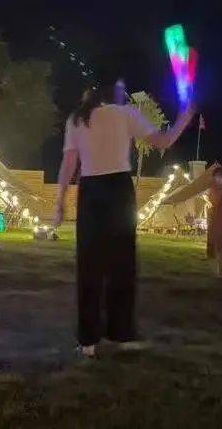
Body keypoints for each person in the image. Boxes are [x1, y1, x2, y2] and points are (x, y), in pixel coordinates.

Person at [54, 74, 195, 358]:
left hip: (91, 191)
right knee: (121, 264)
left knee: (89, 264)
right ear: (115, 90)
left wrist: (59, 201)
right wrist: (184, 117)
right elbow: (164, 142)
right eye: (122, 88)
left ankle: (88, 339)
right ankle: (120, 331)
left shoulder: (77, 118)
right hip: (118, 190)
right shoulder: (126, 114)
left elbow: (69, 163)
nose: (125, 92)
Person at [205, 163, 222, 276]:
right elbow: (214, 200)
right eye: (217, 176)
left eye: (221, 176)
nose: (219, 178)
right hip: (216, 218)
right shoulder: (213, 188)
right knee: (216, 244)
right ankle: (218, 270)